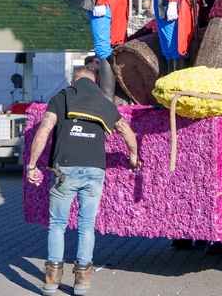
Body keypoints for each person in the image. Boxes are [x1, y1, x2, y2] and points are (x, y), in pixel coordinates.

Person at [26, 65, 141, 296]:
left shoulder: (61, 97)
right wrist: (133, 157)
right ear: (95, 82)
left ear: (73, 82)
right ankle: (81, 282)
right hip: (94, 171)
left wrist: (32, 165)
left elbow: (43, 132)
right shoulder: (104, 103)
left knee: (57, 224)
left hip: (65, 169)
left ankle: (52, 281)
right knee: (86, 225)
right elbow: (127, 132)